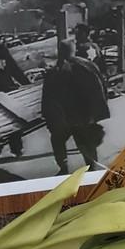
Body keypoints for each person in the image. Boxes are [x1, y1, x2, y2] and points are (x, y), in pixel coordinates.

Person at [41, 40, 110, 175]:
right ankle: (92, 167)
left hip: (65, 116)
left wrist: (48, 115)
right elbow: (102, 86)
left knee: (58, 140)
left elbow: (49, 95)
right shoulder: (88, 65)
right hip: (85, 115)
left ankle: (63, 167)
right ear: (74, 50)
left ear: (60, 51)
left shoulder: (57, 70)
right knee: (86, 142)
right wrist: (97, 111)